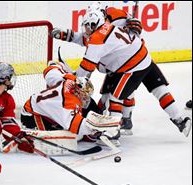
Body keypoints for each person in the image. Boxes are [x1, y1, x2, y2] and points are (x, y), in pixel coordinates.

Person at [51, 3, 192, 137]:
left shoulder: (98, 37)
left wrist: (73, 78)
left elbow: (86, 68)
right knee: (159, 90)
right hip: (143, 56)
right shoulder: (105, 26)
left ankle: (114, 129)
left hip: (130, 66)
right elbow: (84, 39)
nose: (86, 30)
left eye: (88, 26)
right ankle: (180, 120)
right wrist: (64, 34)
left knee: (115, 96)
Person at [20, 73, 120, 146]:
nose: (86, 99)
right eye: (84, 96)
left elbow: (50, 71)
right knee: (71, 137)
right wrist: (96, 128)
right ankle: (28, 133)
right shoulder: (70, 102)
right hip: (32, 114)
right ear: (77, 91)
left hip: (44, 107)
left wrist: (57, 65)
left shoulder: (70, 80)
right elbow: (76, 127)